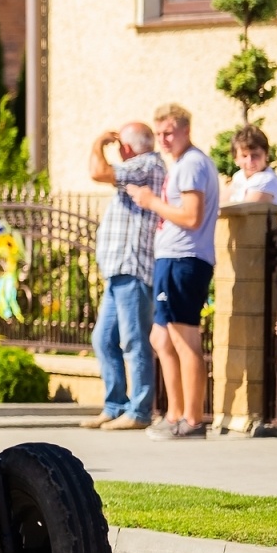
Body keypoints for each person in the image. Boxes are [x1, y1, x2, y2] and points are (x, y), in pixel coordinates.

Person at [126, 103, 219, 440]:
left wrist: (151, 201)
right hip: (173, 259)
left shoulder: (192, 163)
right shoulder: (183, 163)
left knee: (184, 339)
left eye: (169, 132)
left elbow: (192, 216)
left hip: (184, 260)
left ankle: (192, 420)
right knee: (161, 337)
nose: (163, 139)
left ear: (185, 130)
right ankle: (174, 413)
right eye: (159, 133)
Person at [81, 122, 164, 430]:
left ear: (128, 146)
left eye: (120, 146)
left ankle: (139, 411)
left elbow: (98, 172)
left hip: (133, 268)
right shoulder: (138, 167)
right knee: (103, 339)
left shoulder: (146, 164)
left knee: (134, 340)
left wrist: (98, 142)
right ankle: (115, 405)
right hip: (119, 270)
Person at [227, 125, 277, 207]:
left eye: (255, 155)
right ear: (235, 159)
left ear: (266, 155)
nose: (250, 161)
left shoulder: (267, 180)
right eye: (244, 156)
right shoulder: (239, 177)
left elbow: (246, 210)